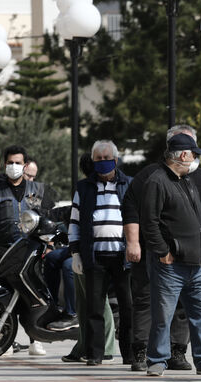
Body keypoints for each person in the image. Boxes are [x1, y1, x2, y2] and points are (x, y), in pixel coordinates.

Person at [122, 124, 201, 372]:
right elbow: (149, 221)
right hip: (170, 263)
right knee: (163, 314)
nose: (195, 159)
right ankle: (157, 360)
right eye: (194, 153)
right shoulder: (156, 181)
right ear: (183, 155)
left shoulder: (190, 179)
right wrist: (163, 251)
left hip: (197, 262)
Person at [0, 145, 54, 357]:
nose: (13, 166)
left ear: (25, 165)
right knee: (5, 295)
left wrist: (50, 245)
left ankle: (35, 340)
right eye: (9, 162)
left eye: (18, 163)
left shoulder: (39, 190)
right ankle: (5, 339)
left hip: (31, 253)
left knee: (33, 296)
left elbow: (50, 221)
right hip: (3, 252)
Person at [69, 140, 133, 366]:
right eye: (98, 159)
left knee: (128, 307)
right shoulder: (84, 187)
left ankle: (130, 353)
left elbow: (137, 220)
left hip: (123, 257)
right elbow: (75, 222)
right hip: (94, 257)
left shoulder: (128, 184)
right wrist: (75, 253)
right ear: (93, 160)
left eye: (107, 159)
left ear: (115, 160)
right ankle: (95, 354)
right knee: (94, 308)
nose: (103, 163)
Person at [61, 153, 117, 363]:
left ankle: (102, 345)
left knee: (96, 303)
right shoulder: (86, 188)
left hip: (95, 253)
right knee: (86, 303)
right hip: (85, 252)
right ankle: (87, 345)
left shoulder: (91, 188)